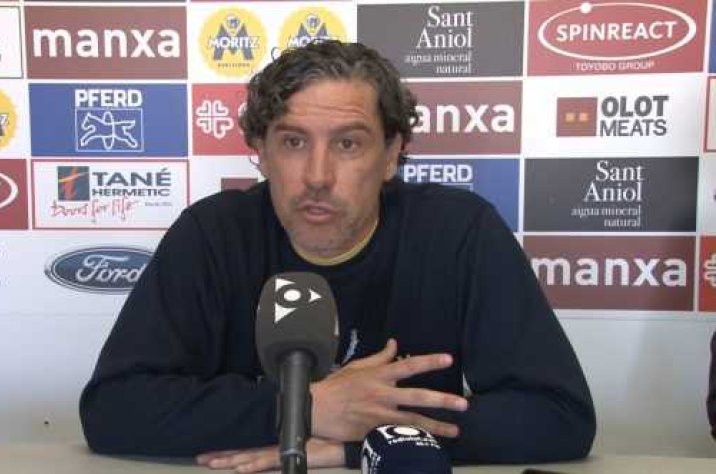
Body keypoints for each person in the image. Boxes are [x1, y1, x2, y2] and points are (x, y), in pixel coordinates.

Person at [79, 40, 596, 472]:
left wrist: (360, 445)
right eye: (293, 142)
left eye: (348, 144)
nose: (318, 176)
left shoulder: (460, 233)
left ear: (391, 154)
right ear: (261, 151)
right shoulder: (212, 235)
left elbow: (559, 417)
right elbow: (113, 408)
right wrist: (303, 409)